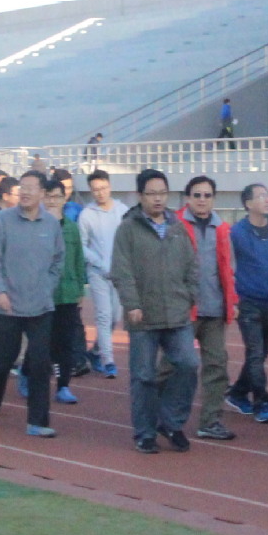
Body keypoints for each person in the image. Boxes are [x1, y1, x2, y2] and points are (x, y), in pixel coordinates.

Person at [111, 169, 200, 454]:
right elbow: (121, 270)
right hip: (143, 316)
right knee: (144, 376)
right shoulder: (128, 228)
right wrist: (132, 304)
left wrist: (190, 295)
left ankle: (171, 422)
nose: (158, 199)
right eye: (152, 193)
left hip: (177, 312)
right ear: (140, 196)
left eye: (162, 193)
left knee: (188, 364)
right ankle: (145, 432)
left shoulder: (177, 227)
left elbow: (192, 265)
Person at [0, 169, 63, 435]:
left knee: (39, 364)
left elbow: (58, 261)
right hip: (7, 306)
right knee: (0, 363)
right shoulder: (2, 221)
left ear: (42, 193)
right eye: (22, 187)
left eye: (31, 187)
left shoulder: (51, 225)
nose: (25, 192)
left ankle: (38, 422)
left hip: (40, 307)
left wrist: (47, 288)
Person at [175, 176, 239, 441]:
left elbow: (228, 268)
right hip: (182, 310)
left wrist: (231, 301)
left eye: (207, 195)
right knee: (174, 366)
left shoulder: (221, 228)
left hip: (214, 309)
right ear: (187, 198)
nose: (202, 200)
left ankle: (210, 421)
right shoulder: (175, 226)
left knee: (217, 366)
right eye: (197, 195)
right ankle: (164, 418)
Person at [225, 182, 268, 424]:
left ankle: (238, 392)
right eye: (261, 196)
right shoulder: (237, 233)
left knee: (262, 354)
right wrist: (235, 299)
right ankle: (261, 400)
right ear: (248, 203)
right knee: (255, 353)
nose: (267, 199)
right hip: (248, 301)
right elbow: (229, 266)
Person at [79, 169, 128, 377]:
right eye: (95, 189)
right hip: (97, 273)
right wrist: (99, 263)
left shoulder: (122, 211)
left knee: (115, 316)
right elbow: (82, 246)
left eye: (103, 188)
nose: (100, 193)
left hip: (118, 274)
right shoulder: (86, 215)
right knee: (104, 315)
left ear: (109, 186)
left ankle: (95, 351)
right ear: (91, 191)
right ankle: (108, 361)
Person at [45, 178, 86, 406]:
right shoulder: (38, 226)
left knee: (66, 342)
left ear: (64, 199)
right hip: (44, 293)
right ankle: (28, 374)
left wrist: (80, 288)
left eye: (57, 197)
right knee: (42, 341)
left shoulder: (71, 227)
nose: (53, 201)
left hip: (68, 293)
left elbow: (79, 259)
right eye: (49, 196)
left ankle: (63, 386)